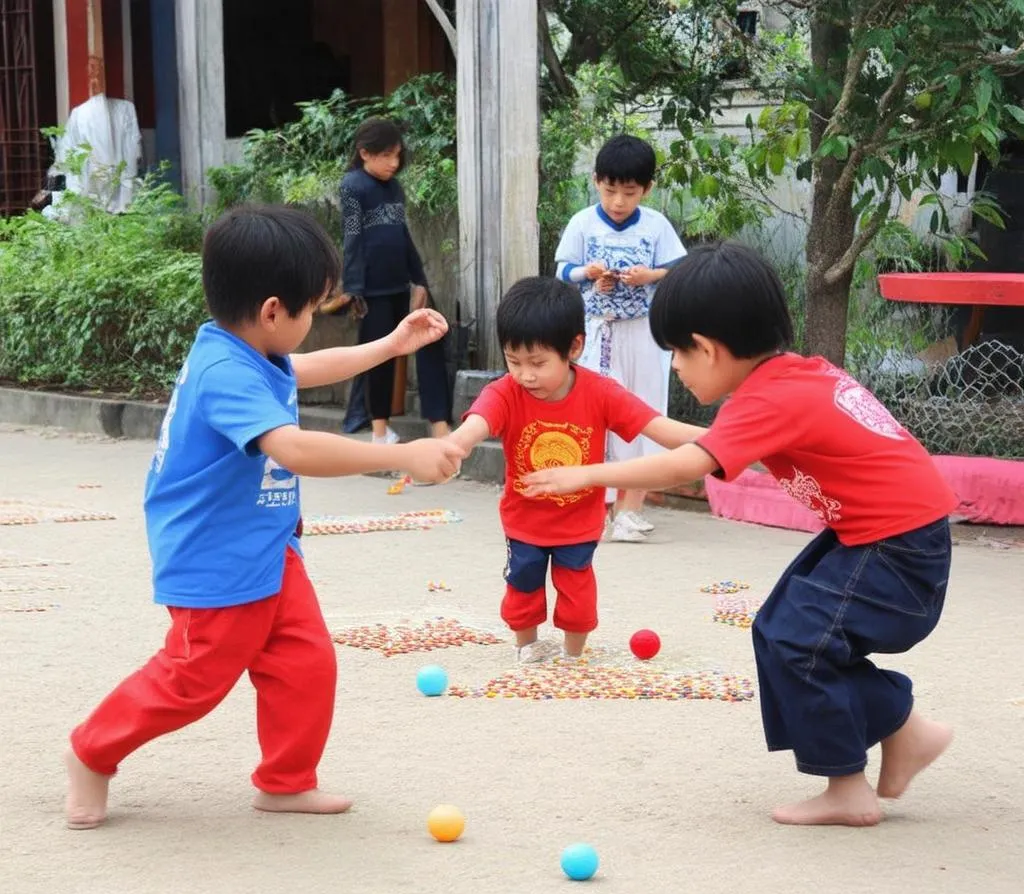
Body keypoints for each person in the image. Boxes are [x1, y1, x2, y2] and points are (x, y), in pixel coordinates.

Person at [524, 242, 956, 828]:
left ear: (707, 347)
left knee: (798, 640)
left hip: (896, 550)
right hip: (884, 536)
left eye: (677, 352)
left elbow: (686, 465)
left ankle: (848, 787)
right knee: (781, 631)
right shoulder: (791, 377)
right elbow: (704, 442)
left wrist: (587, 472)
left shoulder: (770, 396)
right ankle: (906, 732)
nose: (675, 365)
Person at [64, 205, 464, 830]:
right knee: (192, 680)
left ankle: (285, 781)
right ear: (275, 310)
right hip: (214, 558)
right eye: (311, 309)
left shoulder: (251, 351)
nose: (311, 322)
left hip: (269, 548)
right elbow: (295, 449)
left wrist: (392, 344)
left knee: (305, 664)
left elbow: (305, 369)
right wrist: (402, 454)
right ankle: (91, 751)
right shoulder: (225, 371)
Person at [450, 277, 705, 664]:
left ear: (574, 347)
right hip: (524, 520)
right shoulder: (507, 391)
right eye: (513, 361)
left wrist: (726, 439)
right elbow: (479, 421)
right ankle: (526, 647)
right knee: (522, 584)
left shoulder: (601, 392)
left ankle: (573, 654)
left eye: (538, 363)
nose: (525, 375)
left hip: (579, 521)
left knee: (578, 591)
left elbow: (659, 428)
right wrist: (457, 443)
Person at [554, 134, 686, 543]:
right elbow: (561, 271)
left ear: (646, 189)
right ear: (596, 181)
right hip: (598, 332)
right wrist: (587, 275)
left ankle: (632, 508)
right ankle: (597, 505)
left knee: (646, 410)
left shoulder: (656, 225)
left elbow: (680, 270)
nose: (618, 202)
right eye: (610, 191)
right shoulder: (582, 222)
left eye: (629, 193)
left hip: (644, 333)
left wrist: (650, 277)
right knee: (597, 412)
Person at [338, 118, 450, 442]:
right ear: (364, 153)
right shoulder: (352, 185)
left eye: (398, 155)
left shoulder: (395, 188)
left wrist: (420, 282)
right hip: (372, 291)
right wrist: (354, 291)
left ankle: (439, 425)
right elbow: (353, 238)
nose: (394, 163)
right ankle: (379, 432)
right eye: (387, 155)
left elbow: (403, 236)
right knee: (381, 357)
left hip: (403, 285)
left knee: (431, 338)